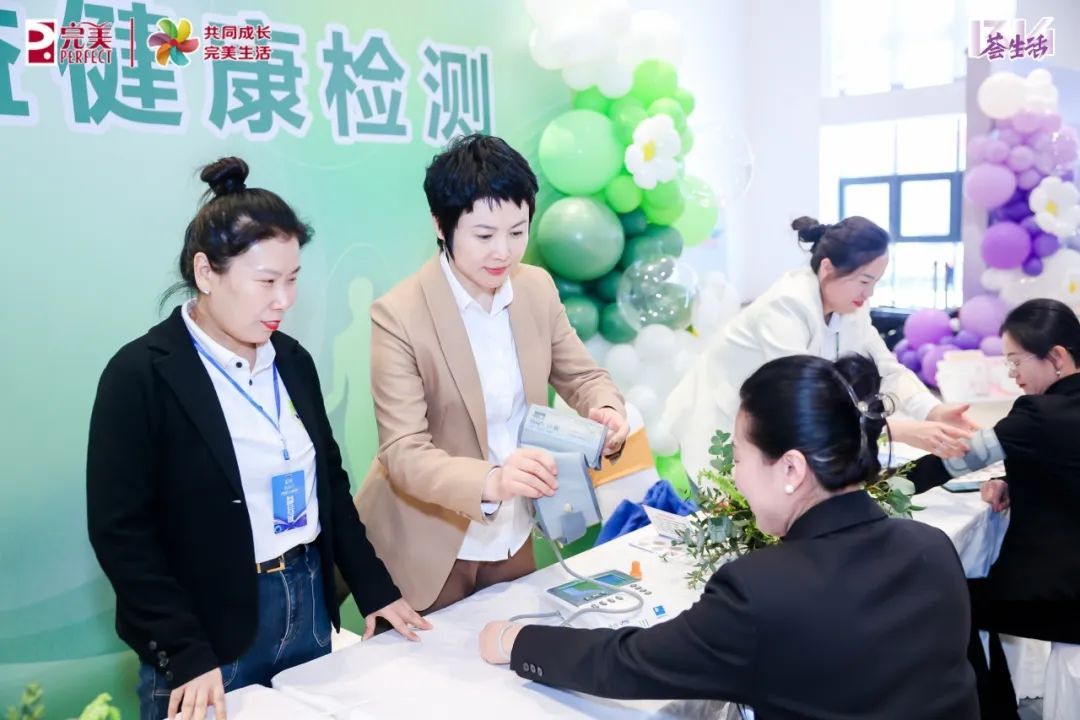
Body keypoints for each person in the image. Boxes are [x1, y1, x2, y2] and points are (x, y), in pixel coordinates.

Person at [87, 157, 428, 720]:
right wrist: (184, 651)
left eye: (292, 279)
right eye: (266, 282)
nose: (284, 300)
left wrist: (376, 590)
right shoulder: (141, 375)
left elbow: (329, 486)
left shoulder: (291, 360)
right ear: (206, 273)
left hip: (308, 604)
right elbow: (121, 535)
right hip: (207, 632)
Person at [480, 354, 978, 720]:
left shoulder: (761, 591)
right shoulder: (932, 548)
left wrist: (517, 640)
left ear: (790, 469)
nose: (735, 476)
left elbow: (628, 663)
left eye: (739, 457)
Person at [353, 134, 629, 614]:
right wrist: (494, 481)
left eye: (517, 232)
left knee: (517, 651)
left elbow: (583, 377)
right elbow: (403, 451)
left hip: (515, 534)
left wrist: (605, 410)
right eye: (483, 236)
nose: (503, 252)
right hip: (429, 546)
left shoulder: (535, 288)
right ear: (441, 225)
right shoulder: (398, 315)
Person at [663, 215, 975, 479]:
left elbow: (887, 369)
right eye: (864, 281)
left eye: (875, 282)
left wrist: (933, 411)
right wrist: (899, 431)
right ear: (827, 268)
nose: (869, 293)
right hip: (719, 426)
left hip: (770, 432)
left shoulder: (851, 308)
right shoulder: (785, 306)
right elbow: (807, 402)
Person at [908, 298, 1080, 719]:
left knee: (954, 601)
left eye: (1016, 361)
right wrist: (1016, 482)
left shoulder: (1039, 414)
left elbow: (954, 460)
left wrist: (876, 486)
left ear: (1057, 357)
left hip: (1067, 598)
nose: (1013, 375)